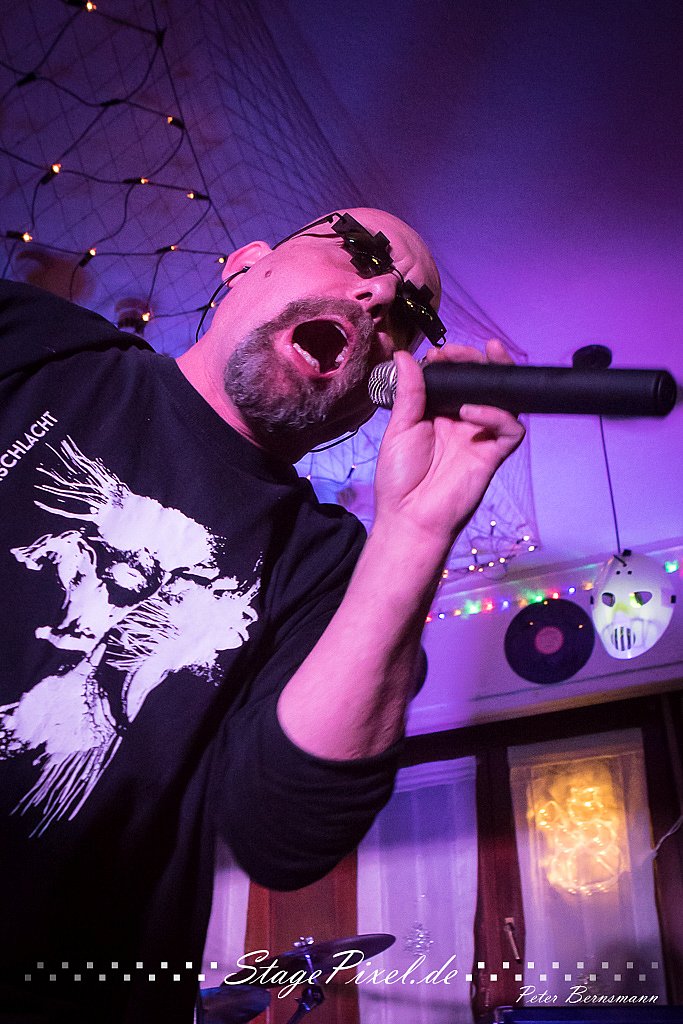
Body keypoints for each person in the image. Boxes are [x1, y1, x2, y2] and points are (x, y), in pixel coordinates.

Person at [0, 207, 524, 1022]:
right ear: (244, 264)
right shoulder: (42, 342)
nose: (378, 293)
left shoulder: (328, 567)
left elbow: (284, 836)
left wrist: (415, 532)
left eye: (408, 314)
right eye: (360, 252)